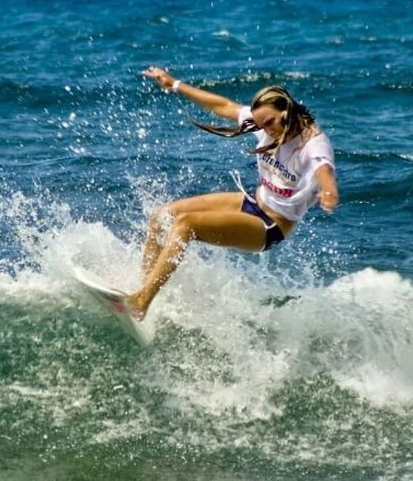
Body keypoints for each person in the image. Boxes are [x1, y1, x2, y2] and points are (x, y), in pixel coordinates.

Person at [126, 66, 339, 320]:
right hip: (252, 200)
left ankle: (141, 302)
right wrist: (174, 84)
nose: (266, 130)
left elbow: (323, 168)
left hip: (270, 225)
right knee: (164, 215)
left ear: (287, 110)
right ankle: (144, 290)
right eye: (261, 125)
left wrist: (328, 190)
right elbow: (223, 105)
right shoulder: (266, 122)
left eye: (269, 123)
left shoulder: (313, 143)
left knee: (186, 225)